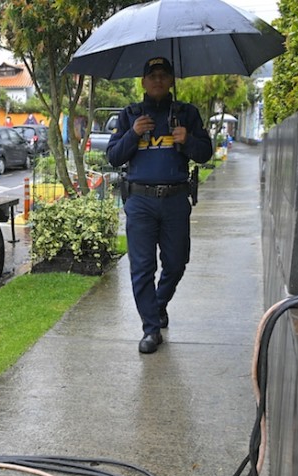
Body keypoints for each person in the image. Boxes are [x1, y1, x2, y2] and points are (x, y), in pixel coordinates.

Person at [106, 57, 212, 354]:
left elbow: (205, 153)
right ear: (143, 81)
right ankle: (151, 329)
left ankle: (158, 303)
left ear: (171, 81)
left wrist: (188, 139)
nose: (158, 80)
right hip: (140, 201)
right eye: (152, 75)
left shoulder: (186, 114)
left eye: (164, 75)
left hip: (176, 200)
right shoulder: (130, 115)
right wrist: (134, 133)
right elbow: (113, 156)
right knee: (142, 268)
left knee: (177, 263)